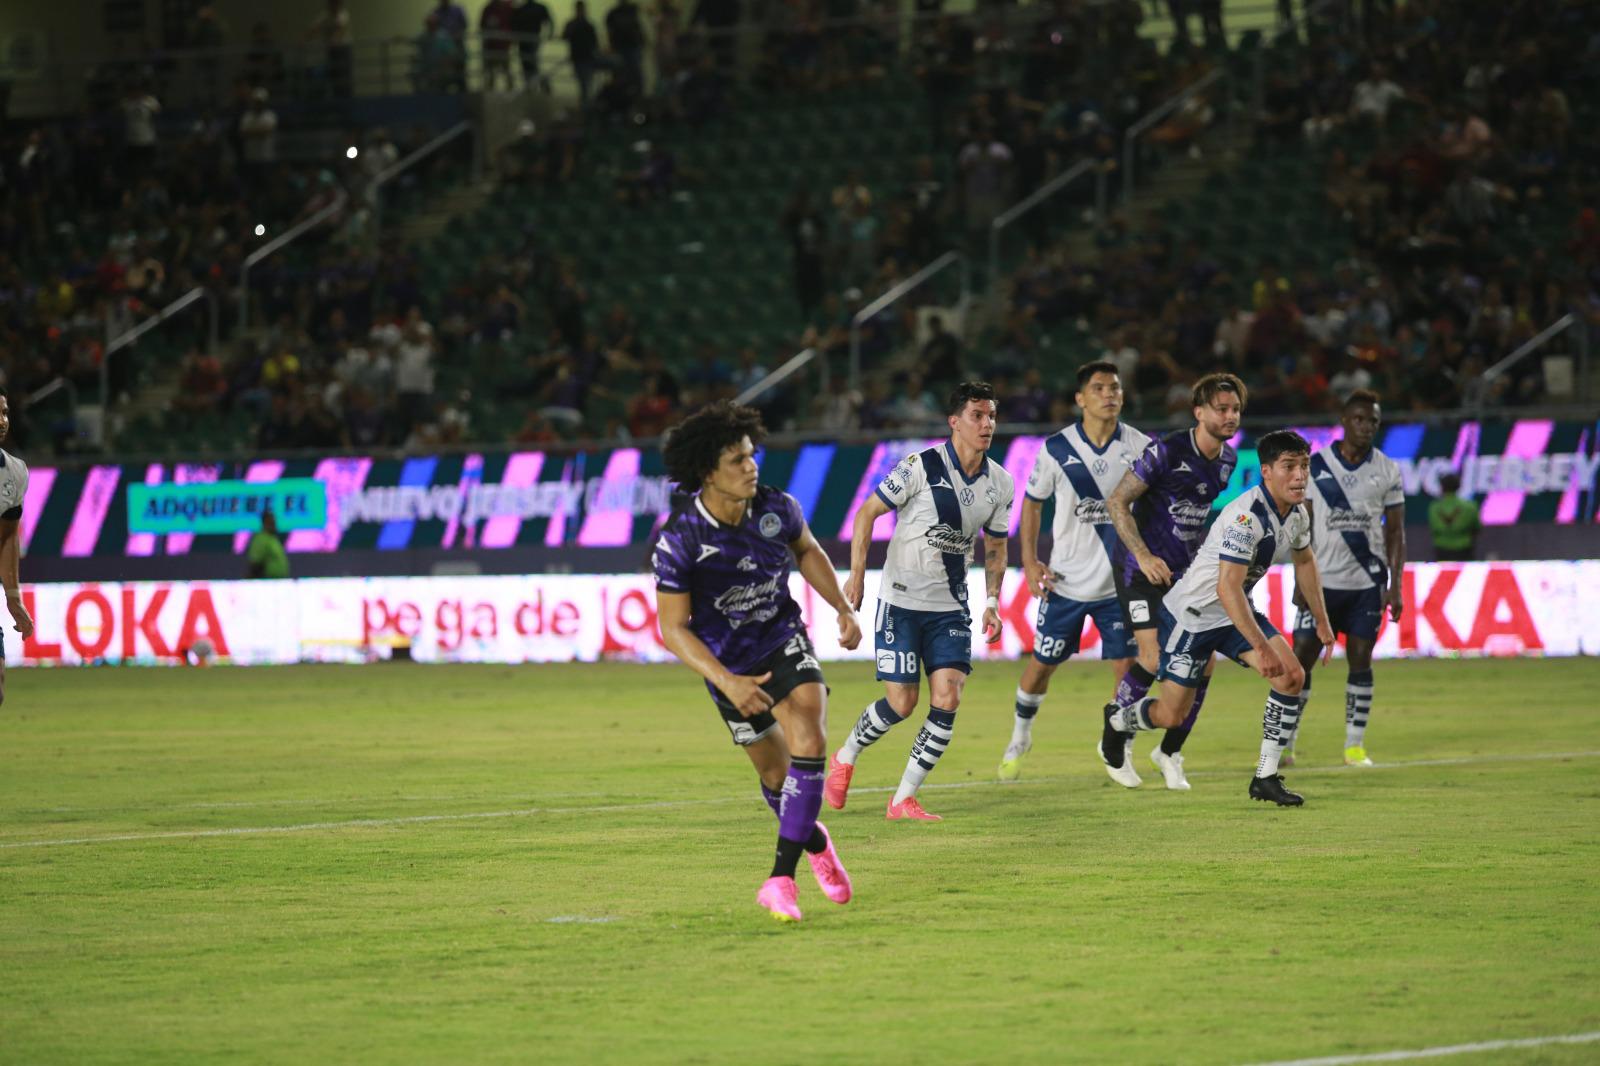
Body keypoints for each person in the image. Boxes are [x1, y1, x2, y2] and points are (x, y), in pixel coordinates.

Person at [653, 401, 862, 924]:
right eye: (737, 461)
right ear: (707, 472)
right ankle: (816, 845)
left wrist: (842, 607)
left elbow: (808, 549)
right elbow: (673, 628)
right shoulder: (680, 539)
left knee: (810, 733)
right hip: (727, 666)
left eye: (751, 456)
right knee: (777, 777)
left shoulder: (777, 507)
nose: (752, 467)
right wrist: (728, 682)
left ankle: (779, 880)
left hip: (782, 638)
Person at [1100, 430, 1335, 807]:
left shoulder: (1298, 513)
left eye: (1304, 466)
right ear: (1267, 471)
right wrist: (1262, 647)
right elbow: (1227, 588)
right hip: (1190, 618)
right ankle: (1116, 721)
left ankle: (1266, 777)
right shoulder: (1246, 517)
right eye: (1289, 467)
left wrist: (1322, 622)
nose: (1299, 476)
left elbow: (1305, 561)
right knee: (1171, 715)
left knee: (1292, 676)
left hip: (1232, 614)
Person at [827, 381, 1015, 822]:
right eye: (977, 415)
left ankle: (903, 799)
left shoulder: (1001, 483)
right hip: (901, 601)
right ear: (955, 422)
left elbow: (996, 547)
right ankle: (846, 754)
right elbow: (866, 513)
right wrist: (856, 576)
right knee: (902, 703)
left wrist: (992, 600)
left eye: (991, 416)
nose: (987, 424)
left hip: (950, 607)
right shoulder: (918, 466)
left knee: (948, 697)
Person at [998, 361, 1149, 781]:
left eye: (1115, 387)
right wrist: (1028, 561)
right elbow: (1031, 503)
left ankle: (1118, 749)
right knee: (1041, 666)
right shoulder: (1056, 448)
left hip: (1118, 585)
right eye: (1099, 388)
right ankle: (1020, 736)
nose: (1109, 394)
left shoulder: (1139, 446)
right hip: (1064, 583)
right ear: (1080, 399)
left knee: (1126, 669)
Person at [1099, 372, 1243, 790]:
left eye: (1235, 409)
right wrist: (1143, 555)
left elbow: (1193, 519)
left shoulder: (1229, 462)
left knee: (1207, 661)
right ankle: (1115, 736)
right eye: (1222, 408)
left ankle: (1169, 751)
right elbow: (1117, 501)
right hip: (1137, 569)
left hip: (1184, 576)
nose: (1230, 416)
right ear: (1199, 412)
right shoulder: (1165, 450)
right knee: (1152, 657)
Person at [1281, 390, 1404, 768]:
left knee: (1361, 659)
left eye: (1373, 422)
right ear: (1344, 420)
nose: (1366, 427)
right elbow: (1299, 525)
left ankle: (1354, 746)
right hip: (1320, 584)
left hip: (1366, 584)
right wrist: (1301, 580)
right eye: (1360, 419)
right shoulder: (1315, 467)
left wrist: (1395, 585)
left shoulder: (1387, 469)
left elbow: (1396, 532)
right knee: (1299, 662)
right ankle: (1286, 743)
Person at [0, 392, 34, 700]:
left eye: (5, 413)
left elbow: (8, 536)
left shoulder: (15, 471)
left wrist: (13, 598)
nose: (2, 421)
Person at [1428, 472, 1479, 562]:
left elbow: (1433, 528)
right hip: (1464, 551)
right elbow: (1477, 528)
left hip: (1441, 551)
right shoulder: (1470, 506)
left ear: (1442, 488)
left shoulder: (1434, 507)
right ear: (1459, 486)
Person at [247, 510, 290, 579]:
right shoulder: (261, 539)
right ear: (264, 523)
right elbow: (255, 564)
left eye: (274, 521)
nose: (273, 524)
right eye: (270, 522)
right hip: (267, 583)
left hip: (279, 582)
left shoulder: (273, 539)